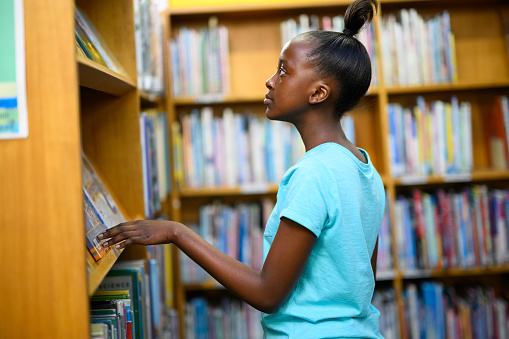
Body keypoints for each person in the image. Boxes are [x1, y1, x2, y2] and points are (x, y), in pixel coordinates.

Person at [99, 0, 385, 337]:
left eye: (283, 71)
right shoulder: (364, 167)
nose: (269, 81)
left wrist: (177, 232)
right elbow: (360, 283)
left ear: (318, 93)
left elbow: (268, 294)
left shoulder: (314, 174)